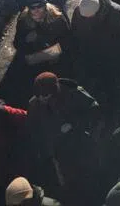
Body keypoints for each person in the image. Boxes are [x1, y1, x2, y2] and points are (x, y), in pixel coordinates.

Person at [26, 71, 101, 203]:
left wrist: (75, 125)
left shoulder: (72, 92)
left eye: (45, 95)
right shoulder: (34, 104)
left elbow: (93, 108)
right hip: (56, 151)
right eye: (39, 95)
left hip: (78, 143)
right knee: (65, 182)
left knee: (88, 174)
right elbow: (33, 128)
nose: (42, 98)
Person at [69, 0, 120, 112]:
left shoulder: (116, 12)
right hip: (92, 58)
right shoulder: (79, 12)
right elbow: (75, 33)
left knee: (116, 87)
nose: (87, 19)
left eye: (90, 17)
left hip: (114, 58)